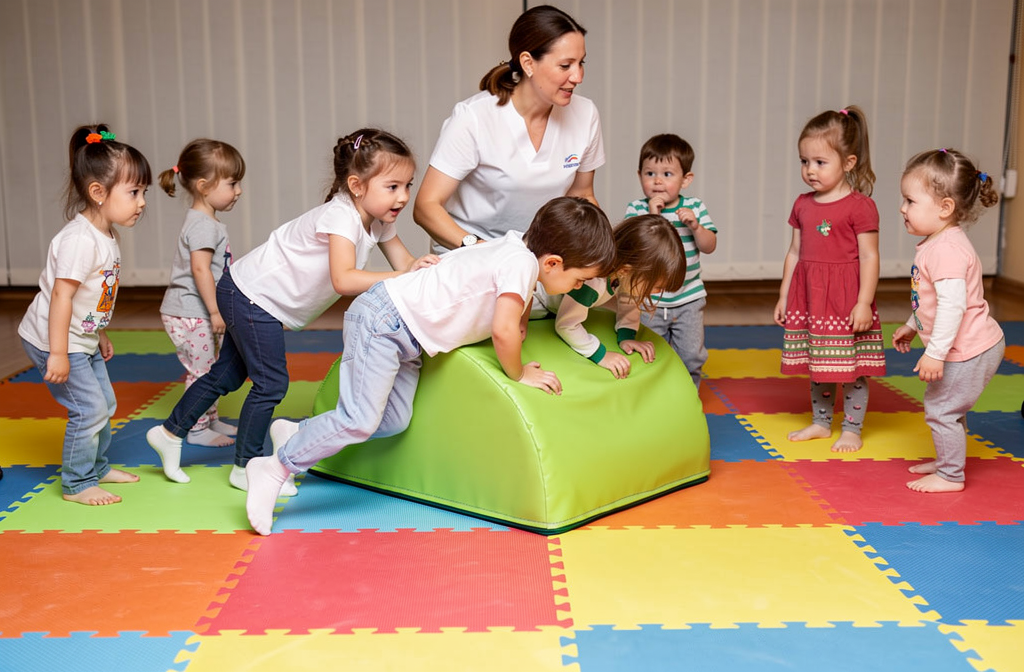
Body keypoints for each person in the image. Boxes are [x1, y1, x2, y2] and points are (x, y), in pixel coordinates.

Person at [245, 196, 618, 535]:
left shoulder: (514, 247)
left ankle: (297, 434)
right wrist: (519, 373)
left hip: (408, 338)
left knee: (393, 420)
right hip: (385, 321)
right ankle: (276, 467)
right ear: (552, 262)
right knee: (359, 418)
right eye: (579, 279)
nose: (576, 288)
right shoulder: (520, 265)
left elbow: (487, 291)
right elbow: (503, 331)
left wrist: (518, 313)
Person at [146, 129, 439, 493]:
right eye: (393, 187)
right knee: (271, 383)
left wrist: (425, 268)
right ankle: (248, 466)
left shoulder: (379, 220)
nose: (404, 197)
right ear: (357, 185)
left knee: (227, 375)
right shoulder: (342, 217)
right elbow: (343, 279)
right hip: (250, 295)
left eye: (408, 185)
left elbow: (404, 262)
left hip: (251, 295)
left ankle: (169, 432)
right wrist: (403, 272)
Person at [18, 124, 151, 505]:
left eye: (143, 193)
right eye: (134, 192)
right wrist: (58, 352)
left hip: (81, 337)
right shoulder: (79, 240)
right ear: (98, 192)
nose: (141, 202)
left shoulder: (106, 234)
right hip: (53, 339)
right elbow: (61, 296)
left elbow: (92, 297)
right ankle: (77, 482)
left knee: (104, 403)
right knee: (89, 409)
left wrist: (99, 332)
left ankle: (95, 465)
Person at [413, 4, 604, 258]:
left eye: (581, 63)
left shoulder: (585, 114)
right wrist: (481, 249)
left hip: (536, 255)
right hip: (467, 252)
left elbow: (582, 195)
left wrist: (600, 248)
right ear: (528, 63)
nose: (578, 76)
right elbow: (426, 207)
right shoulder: (474, 117)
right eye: (566, 65)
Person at [773, 106, 886, 453]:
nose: (810, 170)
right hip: (811, 296)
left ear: (848, 163)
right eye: (804, 161)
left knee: (849, 367)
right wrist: (783, 296)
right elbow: (794, 252)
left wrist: (864, 302)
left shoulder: (860, 206)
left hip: (846, 298)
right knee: (820, 363)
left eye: (820, 162)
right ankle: (822, 423)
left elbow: (869, 256)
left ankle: (851, 427)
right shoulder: (803, 204)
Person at [892, 148, 1004, 493]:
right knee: (949, 405)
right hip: (971, 344)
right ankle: (947, 460)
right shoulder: (938, 243)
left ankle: (951, 475)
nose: (902, 208)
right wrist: (913, 325)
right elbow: (934, 302)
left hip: (969, 349)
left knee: (941, 409)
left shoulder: (946, 251)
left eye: (910, 201)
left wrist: (936, 352)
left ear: (945, 208)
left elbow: (953, 308)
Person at [157, 139, 246, 448]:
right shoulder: (203, 226)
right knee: (204, 370)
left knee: (211, 365)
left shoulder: (207, 222)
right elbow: (200, 270)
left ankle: (209, 419)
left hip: (196, 310)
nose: (239, 191)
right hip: (191, 311)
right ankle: (193, 428)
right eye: (233, 183)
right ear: (204, 186)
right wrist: (214, 311)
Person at [541, 214, 687, 379]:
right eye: (657, 287)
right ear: (625, 270)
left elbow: (630, 297)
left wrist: (626, 335)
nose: (657, 292)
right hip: (536, 305)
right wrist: (600, 355)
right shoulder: (591, 283)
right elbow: (566, 325)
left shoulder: (623, 274)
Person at [624, 134, 717, 388]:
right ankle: (658, 398)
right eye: (649, 173)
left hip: (689, 298)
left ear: (686, 179)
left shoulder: (695, 207)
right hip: (650, 300)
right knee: (651, 353)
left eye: (667, 174)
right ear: (639, 175)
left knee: (691, 356)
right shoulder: (636, 209)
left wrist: (696, 227)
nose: (657, 181)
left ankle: (688, 397)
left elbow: (709, 246)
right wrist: (653, 217)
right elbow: (638, 251)